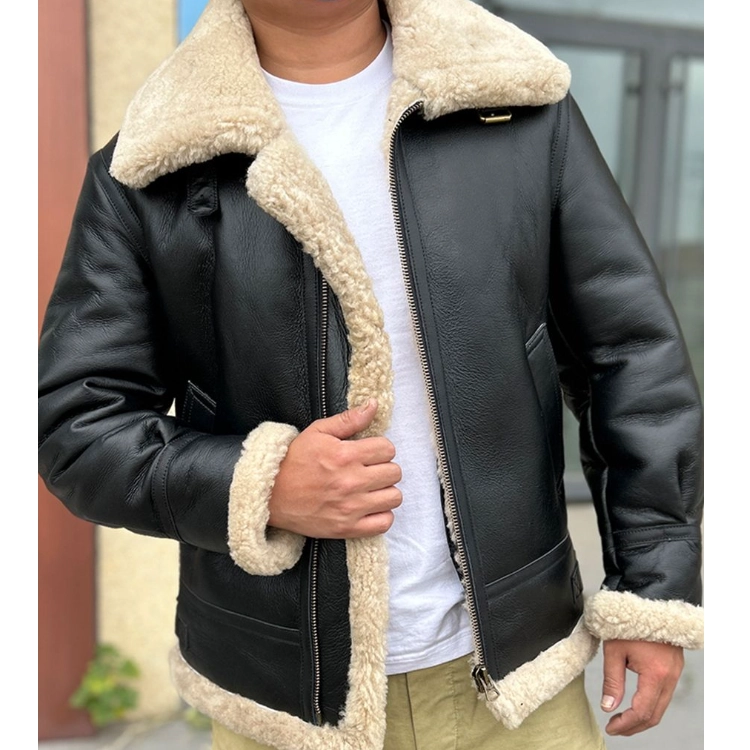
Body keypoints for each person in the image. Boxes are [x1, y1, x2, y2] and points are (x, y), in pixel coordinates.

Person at [38, 0, 704, 748]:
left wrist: (652, 590)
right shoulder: (149, 164)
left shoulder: (515, 103)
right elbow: (77, 429)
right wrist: (259, 484)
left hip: (522, 685)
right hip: (281, 706)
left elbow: (631, 355)